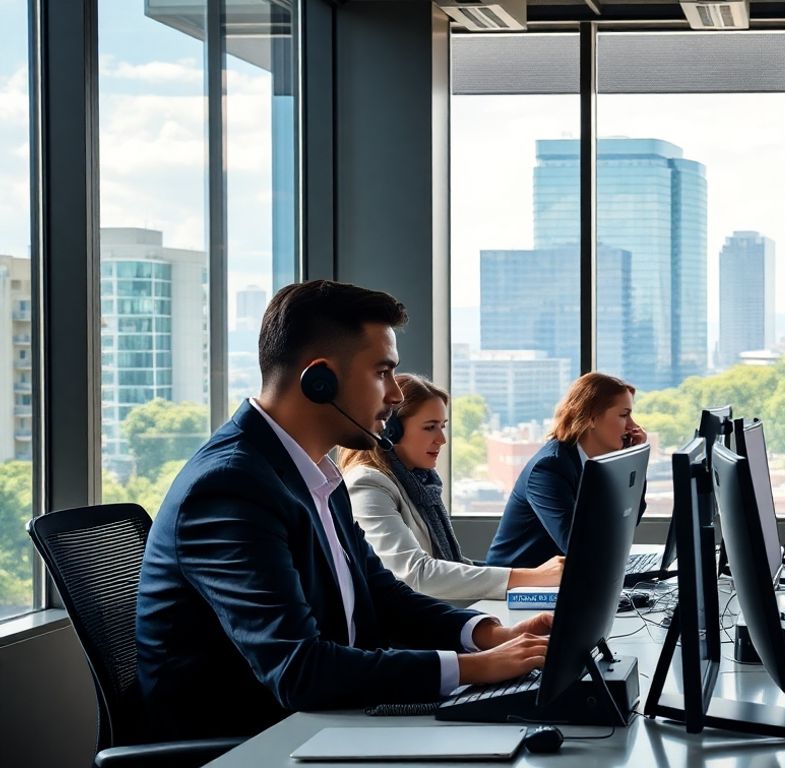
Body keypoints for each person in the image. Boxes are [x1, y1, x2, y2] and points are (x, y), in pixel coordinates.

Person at [136, 281, 553, 741]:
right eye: (382, 372)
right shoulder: (230, 487)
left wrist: (488, 635)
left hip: (329, 722)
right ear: (321, 381)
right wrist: (473, 668)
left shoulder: (319, 475)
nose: (395, 395)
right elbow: (299, 670)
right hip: (256, 741)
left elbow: (382, 594)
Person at [339, 374, 564, 601]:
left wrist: (536, 579)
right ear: (391, 430)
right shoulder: (368, 485)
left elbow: (449, 565)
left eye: (442, 427)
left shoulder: (420, 483)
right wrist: (530, 577)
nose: (442, 439)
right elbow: (417, 574)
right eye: (430, 428)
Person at [485, 372, 647, 569]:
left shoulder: (596, 463)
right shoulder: (549, 468)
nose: (633, 426)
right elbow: (576, 545)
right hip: (521, 587)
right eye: (624, 415)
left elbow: (626, 522)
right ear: (592, 418)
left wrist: (633, 461)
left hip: (569, 577)